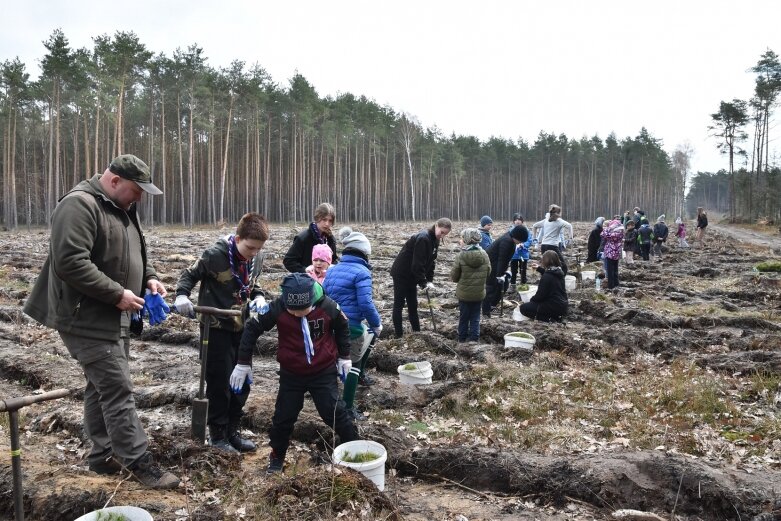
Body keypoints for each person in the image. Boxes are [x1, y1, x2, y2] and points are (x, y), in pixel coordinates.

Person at [23, 154, 179, 489]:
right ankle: (139, 463)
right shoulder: (79, 206)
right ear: (114, 181)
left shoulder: (121, 208)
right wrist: (117, 294)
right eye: (137, 191)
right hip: (85, 318)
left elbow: (130, 253)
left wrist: (148, 278)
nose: (140, 198)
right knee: (118, 388)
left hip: (112, 316)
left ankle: (102, 456)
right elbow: (70, 262)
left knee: (101, 387)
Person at [231, 273, 359, 474]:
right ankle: (277, 457)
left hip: (322, 370)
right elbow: (252, 329)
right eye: (294, 311)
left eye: (304, 310)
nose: (299, 314)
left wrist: (344, 356)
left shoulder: (327, 306)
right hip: (292, 373)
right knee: (283, 416)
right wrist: (243, 363)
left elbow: (342, 326)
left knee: (334, 412)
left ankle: (354, 449)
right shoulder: (277, 308)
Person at [174, 212, 269, 453]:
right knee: (219, 383)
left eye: (258, 249)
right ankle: (218, 436)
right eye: (250, 248)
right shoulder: (215, 254)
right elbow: (189, 274)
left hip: (241, 326)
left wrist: (258, 295)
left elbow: (252, 282)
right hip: (215, 327)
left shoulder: (254, 258)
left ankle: (232, 432)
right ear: (238, 238)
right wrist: (182, 295)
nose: (254, 253)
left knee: (242, 381)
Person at [322, 227, 382, 419]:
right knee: (353, 363)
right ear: (364, 253)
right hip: (351, 326)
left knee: (334, 360)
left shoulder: (332, 270)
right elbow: (365, 303)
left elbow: (323, 297)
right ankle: (347, 407)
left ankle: (329, 394)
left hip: (331, 324)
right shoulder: (362, 272)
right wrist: (377, 323)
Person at [390, 218, 452, 338]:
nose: (442, 235)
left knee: (413, 304)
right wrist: (423, 282)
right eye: (442, 232)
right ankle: (399, 335)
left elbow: (431, 261)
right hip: (402, 273)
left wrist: (429, 280)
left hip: (412, 275)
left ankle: (417, 333)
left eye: (446, 234)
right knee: (399, 303)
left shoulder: (435, 240)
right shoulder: (423, 238)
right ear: (436, 226)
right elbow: (417, 264)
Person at [450, 228, 491, 342]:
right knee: (475, 317)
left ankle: (462, 339)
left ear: (467, 240)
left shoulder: (461, 256)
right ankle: (474, 339)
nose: (460, 240)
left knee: (464, 317)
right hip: (478, 294)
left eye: (462, 238)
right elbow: (488, 272)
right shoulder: (485, 255)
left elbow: (454, 276)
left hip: (464, 295)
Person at [482, 225, 529, 318]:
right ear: (517, 237)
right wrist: (499, 276)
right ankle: (486, 312)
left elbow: (504, 260)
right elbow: (502, 260)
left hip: (496, 266)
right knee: (491, 288)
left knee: (504, 284)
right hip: (489, 266)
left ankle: (492, 305)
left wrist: (503, 273)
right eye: (520, 240)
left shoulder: (510, 239)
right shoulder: (506, 241)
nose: (520, 243)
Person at [283, 202, 339, 273]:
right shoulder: (303, 238)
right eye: (324, 219)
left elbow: (333, 260)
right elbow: (288, 261)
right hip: (306, 281)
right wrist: (305, 270)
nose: (327, 223)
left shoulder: (330, 239)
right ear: (317, 218)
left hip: (326, 280)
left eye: (330, 220)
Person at [519, 250, 568, 322]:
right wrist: (538, 268)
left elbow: (540, 296)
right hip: (563, 305)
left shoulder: (546, 277)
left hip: (553, 306)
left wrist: (531, 301)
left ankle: (551, 319)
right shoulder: (559, 272)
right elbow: (549, 274)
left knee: (523, 308)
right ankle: (556, 317)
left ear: (545, 261)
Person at [531, 204, 573, 276]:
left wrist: (534, 238)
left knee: (546, 264)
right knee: (563, 266)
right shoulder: (560, 221)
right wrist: (570, 238)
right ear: (559, 213)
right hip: (553, 246)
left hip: (544, 246)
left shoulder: (545, 220)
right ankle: (560, 280)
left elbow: (534, 226)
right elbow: (570, 226)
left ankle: (546, 278)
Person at [509, 213, 533, 291]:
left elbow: (529, 240)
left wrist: (523, 245)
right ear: (513, 221)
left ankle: (523, 284)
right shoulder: (510, 230)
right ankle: (513, 285)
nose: (517, 221)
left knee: (523, 270)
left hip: (524, 254)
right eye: (516, 220)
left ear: (522, 221)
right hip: (514, 254)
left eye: (519, 220)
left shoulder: (526, 230)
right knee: (513, 270)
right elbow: (508, 240)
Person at [600, 219, 624, 289]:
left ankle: (611, 286)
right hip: (616, 253)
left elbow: (602, 234)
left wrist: (609, 228)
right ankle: (616, 284)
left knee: (610, 271)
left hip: (610, 253)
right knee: (615, 269)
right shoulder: (621, 232)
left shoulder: (615, 233)